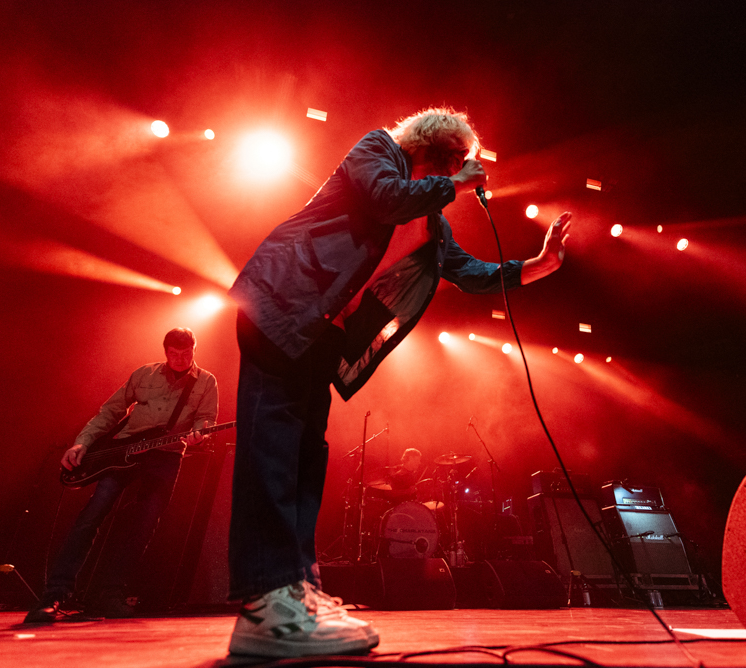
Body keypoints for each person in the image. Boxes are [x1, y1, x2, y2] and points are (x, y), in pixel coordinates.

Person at [227, 107, 571, 658]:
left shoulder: (432, 224)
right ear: (425, 148)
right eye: (448, 161)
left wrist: (538, 265)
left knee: (303, 463)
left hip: (323, 335)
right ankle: (265, 605)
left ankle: (297, 592)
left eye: (457, 165)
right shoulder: (376, 152)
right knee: (272, 453)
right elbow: (386, 198)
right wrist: (454, 184)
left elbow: (475, 274)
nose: (453, 172)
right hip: (283, 305)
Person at [23, 328, 218, 623]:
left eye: (186, 353)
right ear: (165, 351)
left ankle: (109, 594)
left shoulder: (206, 381)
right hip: (122, 451)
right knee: (90, 518)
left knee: (143, 525)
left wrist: (199, 435)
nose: (180, 359)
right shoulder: (144, 373)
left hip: (164, 456)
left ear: (194, 349)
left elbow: (206, 419)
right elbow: (111, 411)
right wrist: (82, 442)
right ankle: (54, 595)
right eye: (174, 354)